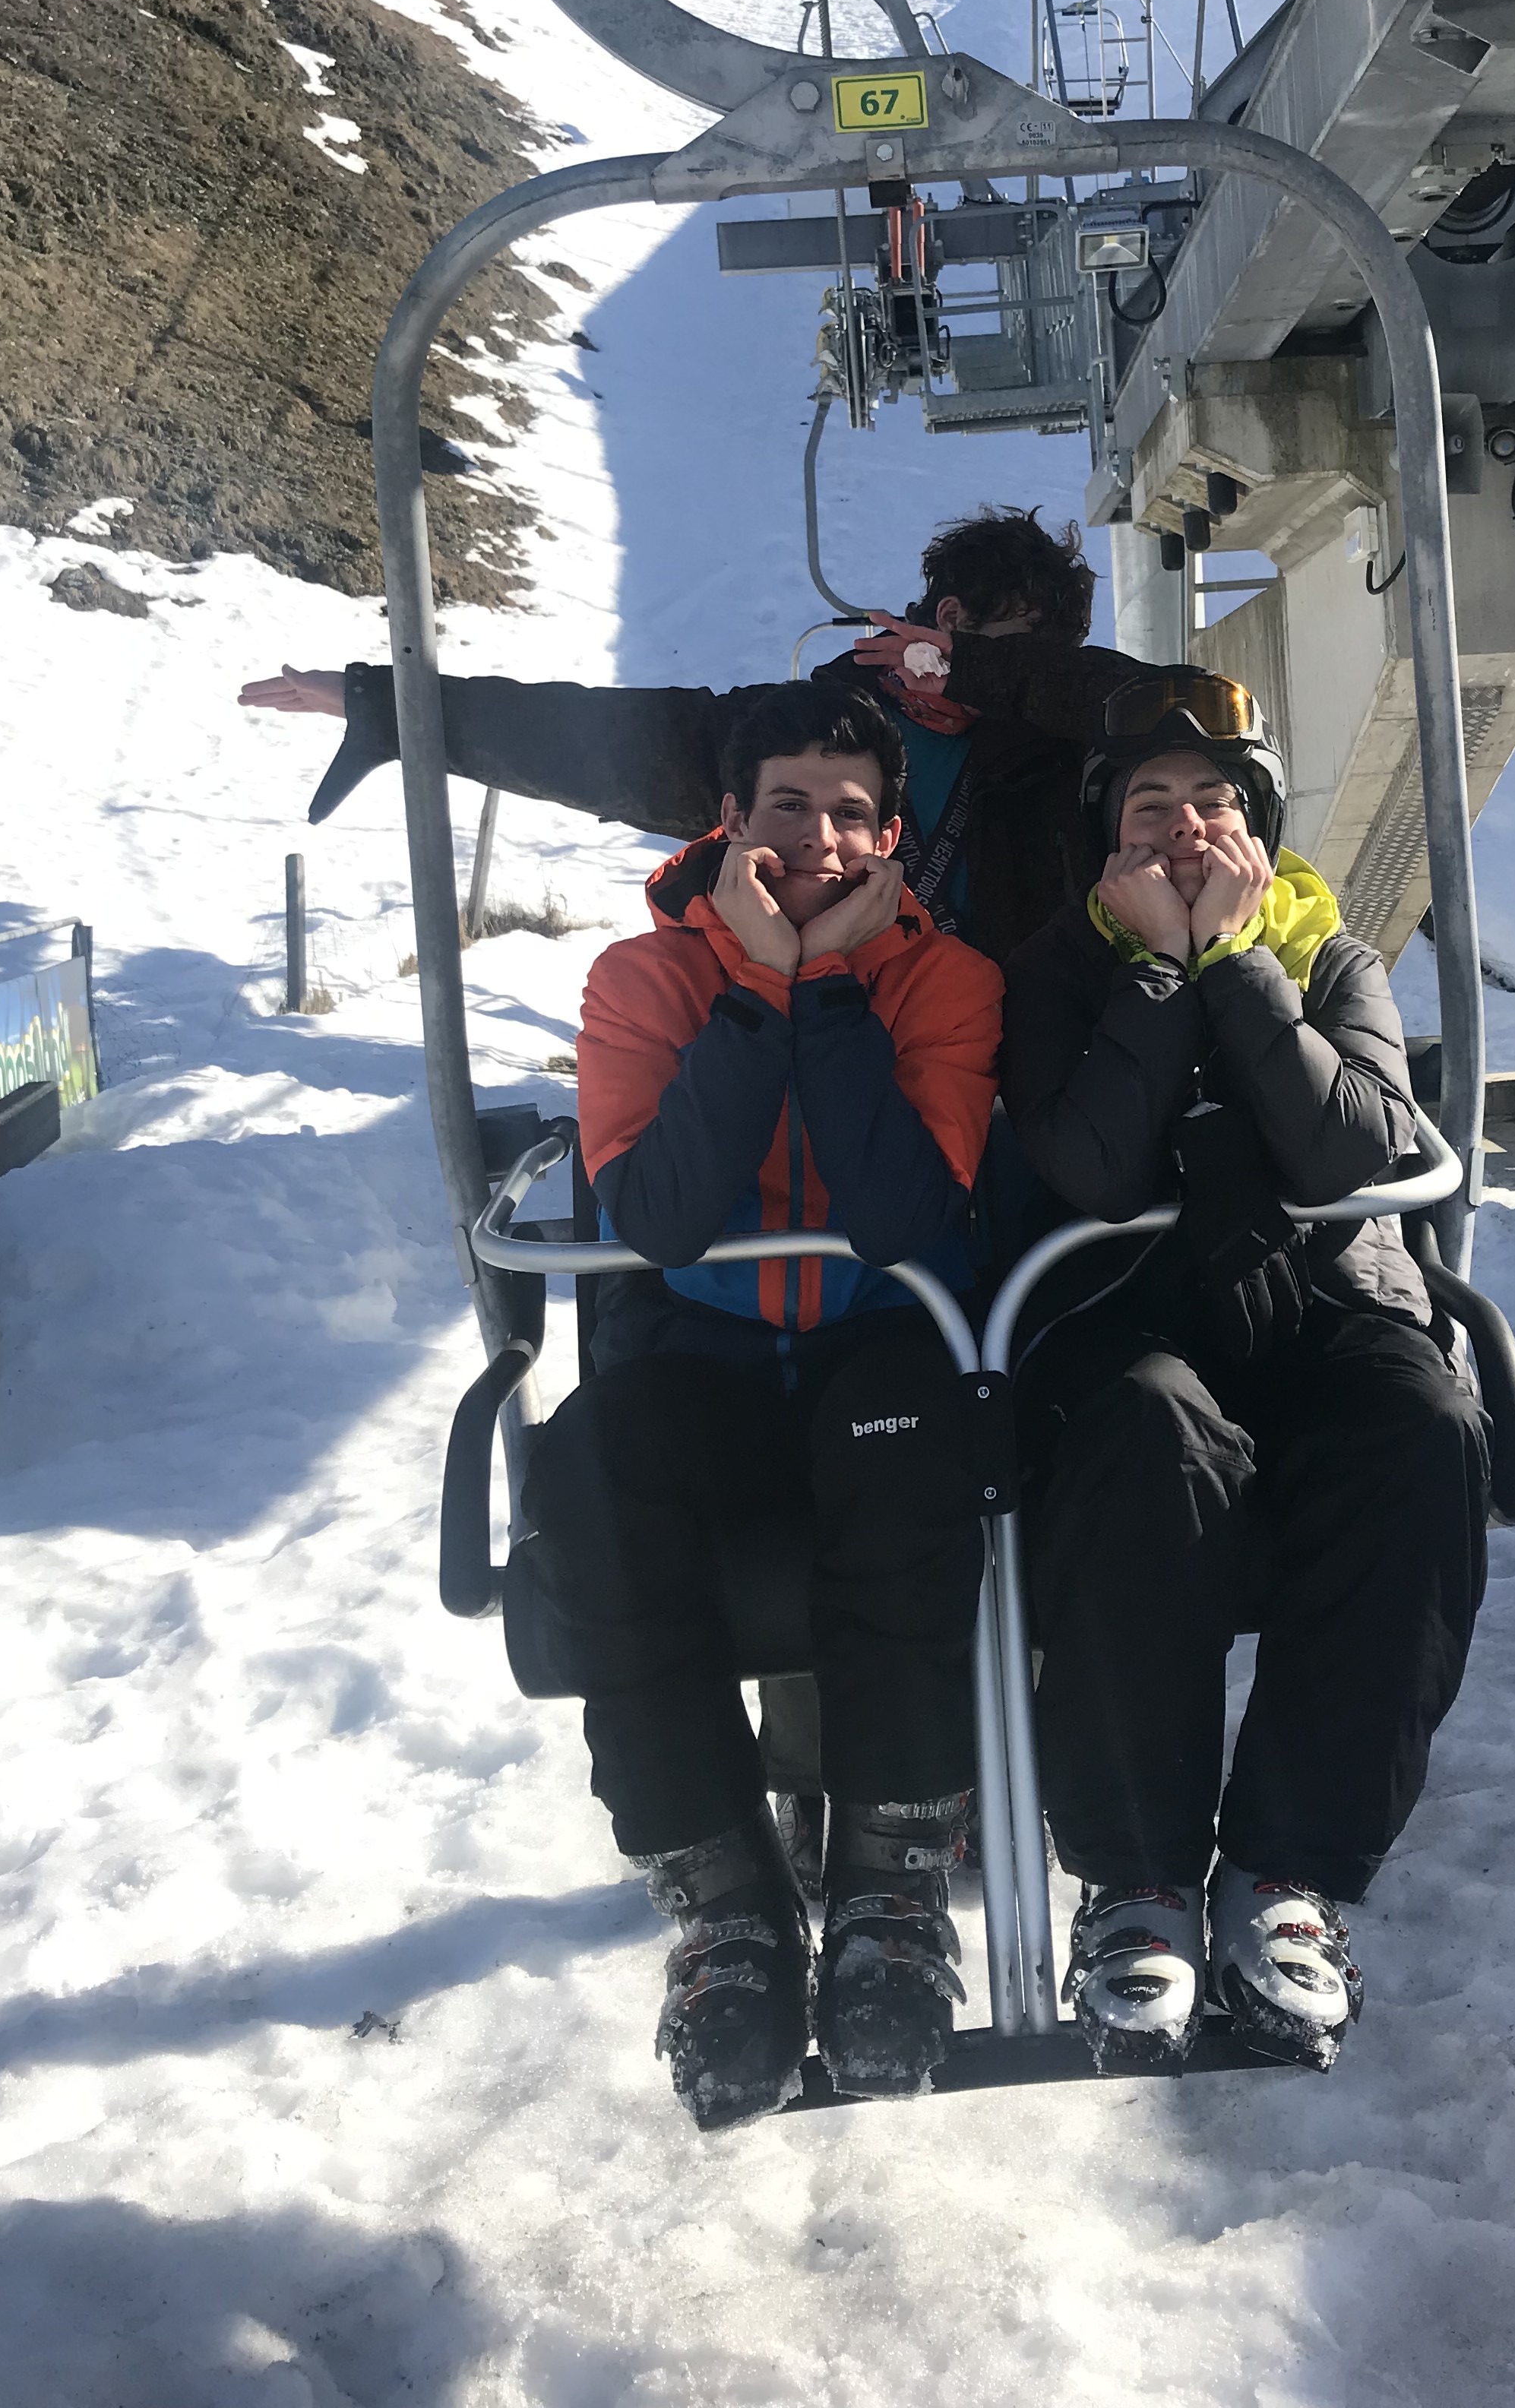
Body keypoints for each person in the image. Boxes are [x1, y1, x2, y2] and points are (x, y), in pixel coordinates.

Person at [521, 680, 1003, 2129]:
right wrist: (753, 989)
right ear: (731, 821)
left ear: (892, 837)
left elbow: (900, 1215)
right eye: (787, 805)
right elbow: (664, 1216)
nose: (819, 839)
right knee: (593, 1467)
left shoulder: (944, 981)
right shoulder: (641, 981)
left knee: (911, 1452)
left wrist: (833, 989)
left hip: (880, 1340)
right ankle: (723, 1897)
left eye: (852, 813)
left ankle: (888, 1890)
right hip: (708, 1354)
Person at [999, 670, 1491, 2076]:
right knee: (1139, 1431)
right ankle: (1138, 1875)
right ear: (1107, 834)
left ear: (1259, 828)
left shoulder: (1331, 958)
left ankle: (1288, 1866)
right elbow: (1093, 1168)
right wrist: (1159, 975)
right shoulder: (1058, 968)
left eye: (1212, 803)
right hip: (1134, 1310)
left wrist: (1234, 963)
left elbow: (1352, 1148)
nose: (1181, 830)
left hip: (1325, 1300)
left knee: (1419, 1422)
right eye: (1149, 805)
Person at [237, 505, 1145, 966]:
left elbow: (1185, 711)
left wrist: (993, 675)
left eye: (1048, 667)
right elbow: (600, 739)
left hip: (1017, 1064)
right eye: (1019, 648)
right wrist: (389, 705)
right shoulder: (815, 730)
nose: (1032, 680)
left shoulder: (1063, 749)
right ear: (948, 618)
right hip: (844, 1044)